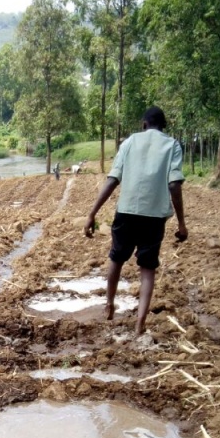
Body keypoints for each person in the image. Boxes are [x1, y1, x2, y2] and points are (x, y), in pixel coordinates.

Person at [84, 106, 188, 337]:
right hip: (154, 216)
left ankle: (109, 304)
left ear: (144, 124)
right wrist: (181, 223)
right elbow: (174, 184)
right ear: (164, 126)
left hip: (127, 211)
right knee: (147, 269)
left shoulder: (130, 142)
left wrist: (92, 213)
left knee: (116, 258)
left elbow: (113, 179)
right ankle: (140, 322)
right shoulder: (172, 145)